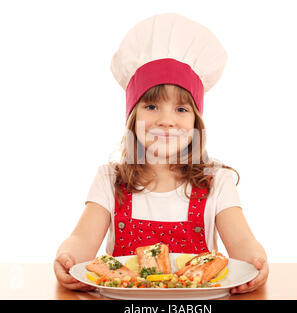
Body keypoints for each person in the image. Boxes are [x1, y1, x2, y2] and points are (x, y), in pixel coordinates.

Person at [54, 13, 268, 295]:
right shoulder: (110, 179)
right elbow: (81, 240)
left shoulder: (216, 181)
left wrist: (256, 261)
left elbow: (242, 243)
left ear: (195, 123)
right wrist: (67, 256)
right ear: (132, 116)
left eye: (181, 109)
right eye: (152, 106)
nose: (166, 121)